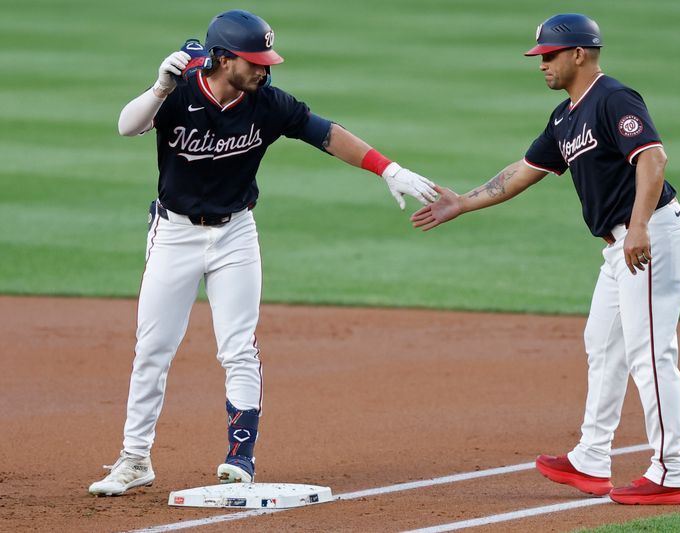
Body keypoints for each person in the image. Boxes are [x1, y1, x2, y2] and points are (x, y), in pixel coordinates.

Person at [89, 9, 436, 496]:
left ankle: (240, 456)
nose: (264, 69)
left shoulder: (267, 103)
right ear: (222, 58)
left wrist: (387, 168)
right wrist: (159, 88)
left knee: (238, 347)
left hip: (235, 234)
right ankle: (134, 458)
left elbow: (325, 133)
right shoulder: (181, 91)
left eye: (267, 60)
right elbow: (127, 127)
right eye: (254, 61)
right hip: (175, 234)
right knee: (152, 349)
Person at [412, 13, 680, 505]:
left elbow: (653, 158)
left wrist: (638, 225)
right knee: (602, 345)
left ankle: (672, 471)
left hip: (653, 236)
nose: (540, 63)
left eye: (548, 55)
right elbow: (522, 171)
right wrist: (463, 202)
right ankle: (592, 457)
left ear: (579, 54)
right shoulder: (565, 116)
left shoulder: (613, 99)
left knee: (650, 353)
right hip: (621, 245)